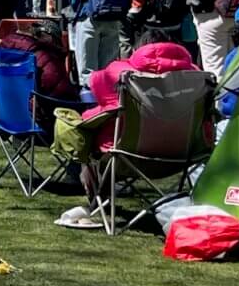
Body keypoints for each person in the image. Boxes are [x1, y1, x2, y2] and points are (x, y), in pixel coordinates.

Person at [51, 40, 203, 229]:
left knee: (88, 139)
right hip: (182, 156)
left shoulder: (122, 74)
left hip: (130, 157)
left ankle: (99, 202)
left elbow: (103, 100)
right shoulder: (197, 78)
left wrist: (84, 120)